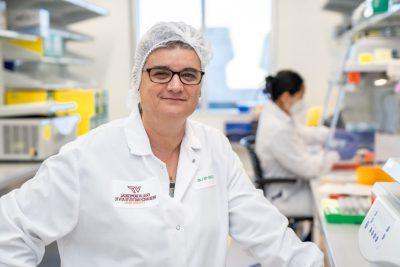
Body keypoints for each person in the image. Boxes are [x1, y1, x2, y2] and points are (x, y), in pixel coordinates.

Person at [0, 22, 323, 267]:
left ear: (200, 86)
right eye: (161, 73)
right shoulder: (87, 156)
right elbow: (10, 230)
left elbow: (267, 232)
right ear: (138, 80)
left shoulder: (214, 148)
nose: (175, 85)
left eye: (188, 75)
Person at [255, 70, 340, 217]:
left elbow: (302, 133)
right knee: (328, 205)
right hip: (286, 195)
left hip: (292, 185)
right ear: (286, 97)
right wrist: (335, 155)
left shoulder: (279, 115)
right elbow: (308, 169)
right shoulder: (277, 129)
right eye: (301, 96)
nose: (302, 102)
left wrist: (332, 134)